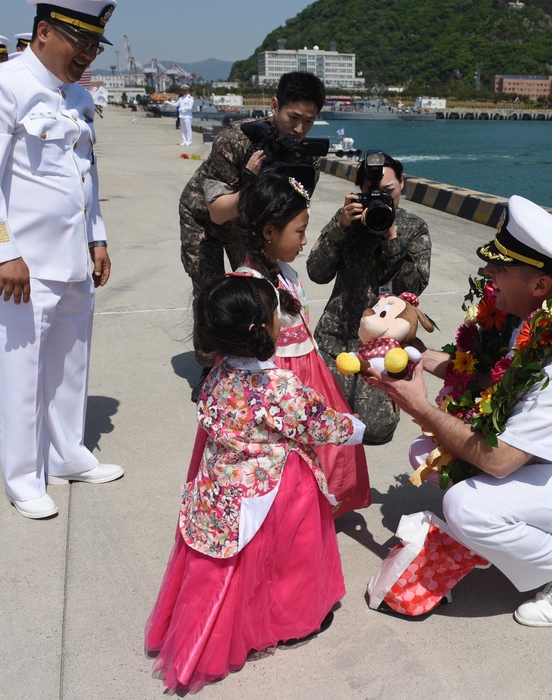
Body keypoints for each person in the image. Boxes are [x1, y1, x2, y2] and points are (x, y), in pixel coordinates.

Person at [367, 195, 552, 627]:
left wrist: (418, 404)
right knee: (427, 455)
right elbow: (488, 378)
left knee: (466, 507)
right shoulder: (535, 316)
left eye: (499, 268)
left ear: (539, 285)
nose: (488, 273)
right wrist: (412, 354)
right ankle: (537, 532)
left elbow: (499, 461)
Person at [145, 274, 364, 691]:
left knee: (230, 561)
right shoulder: (274, 384)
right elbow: (316, 422)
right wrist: (354, 427)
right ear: (264, 329)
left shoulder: (216, 374)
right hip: (274, 482)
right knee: (293, 555)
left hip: (223, 481)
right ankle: (293, 620)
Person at [0, 0, 122, 519]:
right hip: (21, 266)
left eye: (95, 44)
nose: (87, 53)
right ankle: (23, 477)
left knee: (71, 363)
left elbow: (85, 177)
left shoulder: (75, 96)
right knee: (19, 370)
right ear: (44, 32)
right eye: (79, 40)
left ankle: (69, 454)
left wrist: (97, 237)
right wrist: (5, 252)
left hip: (71, 257)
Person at [178, 71, 325, 400]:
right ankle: (210, 368)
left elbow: (294, 209)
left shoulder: (306, 155)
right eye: (293, 117)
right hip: (206, 218)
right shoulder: (238, 139)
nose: (300, 129)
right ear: (275, 106)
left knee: (258, 290)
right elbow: (217, 209)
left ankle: (255, 360)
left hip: (251, 222)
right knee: (210, 292)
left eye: (309, 121)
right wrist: (252, 182)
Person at [235, 174, 372, 516]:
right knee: (287, 454)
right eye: (299, 231)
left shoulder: (285, 273)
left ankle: (313, 509)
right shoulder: (251, 284)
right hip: (280, 381)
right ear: (269, 232)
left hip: (309, 372)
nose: (304, 240)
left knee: (323, 450)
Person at [306, 151, 431, 444]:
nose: (382, 199)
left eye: (388, 192)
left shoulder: (413, 228)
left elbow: (413, 286)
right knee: (320, 420)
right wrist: (340, 229)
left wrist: (391, 239)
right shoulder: (347, 221)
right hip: (335, 338)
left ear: (402, 184)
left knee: (375, 430)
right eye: (372, 192)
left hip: (382, 347)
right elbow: (316, 272)